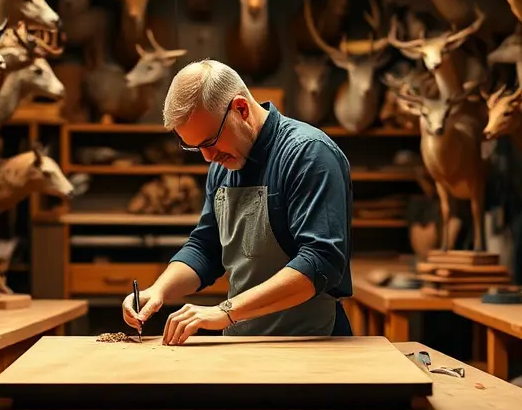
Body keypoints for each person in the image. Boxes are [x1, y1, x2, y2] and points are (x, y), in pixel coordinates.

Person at [122, 59, 353, 345]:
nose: (207, 158)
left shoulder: (308, 155)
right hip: (242, 341)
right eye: (195, 147)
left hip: (310, 343)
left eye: (209, 141)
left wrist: (225, 311)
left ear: (241, 109)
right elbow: (206, 247)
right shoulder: (223, 165)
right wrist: (158, 290)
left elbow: (321, 261)